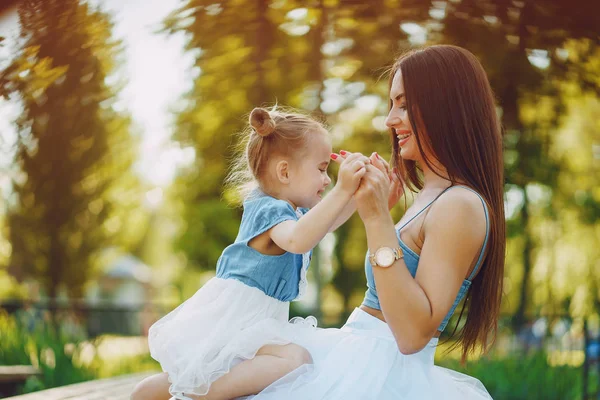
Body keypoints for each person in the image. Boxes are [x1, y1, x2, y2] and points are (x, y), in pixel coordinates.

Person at [245, 44, 506, 399]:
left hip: (382, 375)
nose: (390, 119)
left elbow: (413, 334)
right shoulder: (433, 197)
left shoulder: (461, 204)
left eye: (403, 104)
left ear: (444, 106)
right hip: (358, 358)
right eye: (391, 104)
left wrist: (377, 217)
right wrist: (378, 211)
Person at [131, 106, 372, 400]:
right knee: (295, 361)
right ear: (284, 171)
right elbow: (299, 240)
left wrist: (361, 197)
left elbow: (325, 223)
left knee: (226, 369)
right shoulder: (269, 209)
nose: (327, 180)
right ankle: (198, 396)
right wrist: (342, 191)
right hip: (238, 317)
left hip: (258, 320)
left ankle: (154, 393)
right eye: (322, 169)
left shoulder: (295, 212)